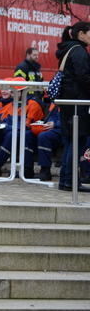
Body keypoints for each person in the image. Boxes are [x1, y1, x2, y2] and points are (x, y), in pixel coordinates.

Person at [55, 21, 90, 192]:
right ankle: (70, 181)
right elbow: (83, 77)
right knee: (77, 141)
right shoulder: (79, 52)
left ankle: (66, 180)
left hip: (69, 103)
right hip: (77, 103)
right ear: (81, 34)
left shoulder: (69, 49)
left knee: (71, 141)